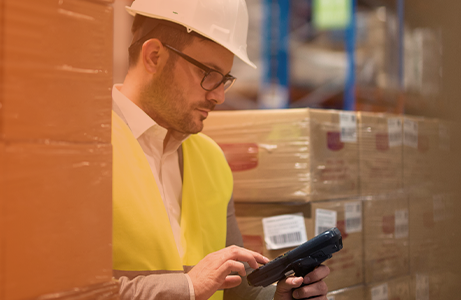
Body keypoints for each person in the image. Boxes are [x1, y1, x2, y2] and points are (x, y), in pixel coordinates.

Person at [111, 1, 331, 299]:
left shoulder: (211, 160)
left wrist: (281, 296)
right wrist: (188, 287)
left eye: (224, 79)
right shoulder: (85, 147)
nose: (218, 96)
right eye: (208, 74)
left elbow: (235, 290)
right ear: (154, 56)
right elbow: (63, 289)